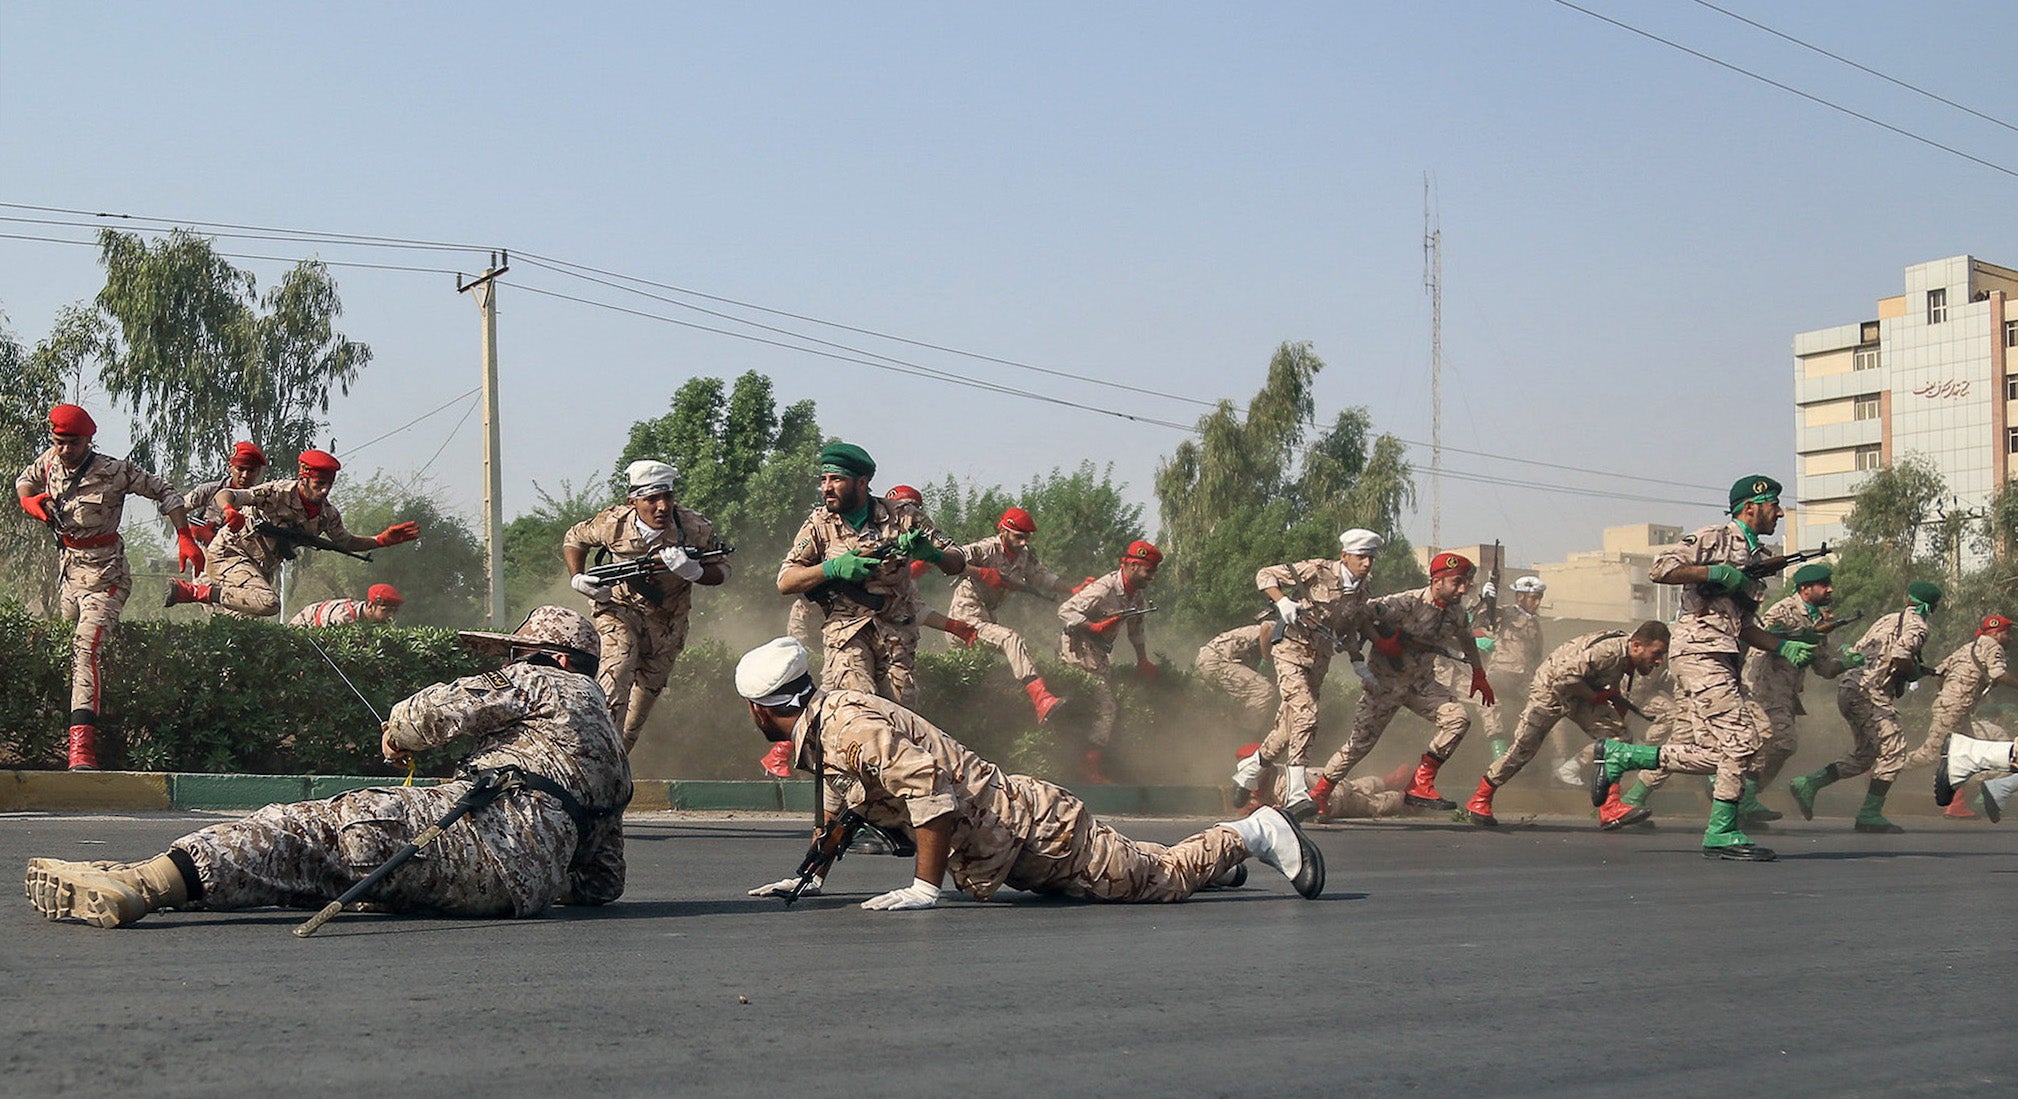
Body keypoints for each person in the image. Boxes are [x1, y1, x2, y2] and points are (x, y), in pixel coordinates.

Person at [24, 606, 631, 929]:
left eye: (518, 653)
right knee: (313, 870)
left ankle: (144, 885)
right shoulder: (615, 758)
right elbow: (603, 883)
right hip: (510, 896)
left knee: (297, 832)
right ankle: (150, 875)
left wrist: (399, 731)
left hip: (470, 839)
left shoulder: (548, 681)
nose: (514, 661)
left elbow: (436, 711)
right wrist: (533, 874)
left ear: (552, 657)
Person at [736, 637, 1323, 908]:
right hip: (1008, 845)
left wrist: (922, 888)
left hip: (1035, 830)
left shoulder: (845, 728)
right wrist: (809, 875)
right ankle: (1216, 865)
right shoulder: (828, 724)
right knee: (1139, 867)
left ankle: (1258, 831)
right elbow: (848, 804)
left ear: (762, 709)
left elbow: (929, 792)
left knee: (1156, 882)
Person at [1593, 476, 1799, 861]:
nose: (1780, 512)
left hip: (1724, 655)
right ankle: (1721, 831)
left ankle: (1624, 756)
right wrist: (1713, 573)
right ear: (1750, 507)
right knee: (1743, 739)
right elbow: (1660, 568)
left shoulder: (1757, 558)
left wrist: (1784, 645)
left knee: (1715, 750)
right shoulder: (1713, 537)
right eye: (1774, 505)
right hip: (1698, 651)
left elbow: (1746, 625)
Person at [15, 403, 203, 770]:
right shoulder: (50, 461)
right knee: (69, 646)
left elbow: (166, 491)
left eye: (73, 443)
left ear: (89, 439)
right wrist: (29, 501)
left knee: (84, 649)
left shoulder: (115, 471)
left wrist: (184, 536)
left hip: (106, 577)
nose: (65, 449)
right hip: (69, 575)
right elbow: (24, 480)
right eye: (59, 442)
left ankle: (81, 750)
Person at [776, 443, 964, 708]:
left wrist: (933, 554)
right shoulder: (820, 523)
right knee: (856, 710)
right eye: (823, 479)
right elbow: (786, 580)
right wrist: (832, 568)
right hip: (845, 633)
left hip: (896, 638)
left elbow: (958, 560)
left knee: (900, 718)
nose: (826, 487)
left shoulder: (904, 516)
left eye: (836, 479)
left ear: (862, 482)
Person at [563, 460, 731, 752]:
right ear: (633, 501)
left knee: (637, 714)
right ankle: (594, 753)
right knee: (617, 672)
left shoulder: (693, 527)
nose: (662, 507)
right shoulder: (612, 524)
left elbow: (723, 569)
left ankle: (615, 761)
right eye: (652, 499)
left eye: (667, 497)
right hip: (618, 610)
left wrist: (695, 572)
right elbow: (574, 538)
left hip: (667, 624)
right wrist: (577, 577)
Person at [1309, 551, 1494, 815]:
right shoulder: (1405, 603)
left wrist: (1479, 672)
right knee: (1359, 745)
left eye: (1466, 582)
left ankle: (1421, 782)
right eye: (1457, 582)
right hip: (1384, 684)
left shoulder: (1456, 613)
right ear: (1437, 581)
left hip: (1421, 685)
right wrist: (1380, 640)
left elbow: (1467, 638)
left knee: (1458, 719)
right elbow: (1360, 613)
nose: (1463, 589)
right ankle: (1319, 795)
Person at [1233, 528, 1382, 817]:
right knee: (1307, 713)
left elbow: (1349, 625)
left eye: (1371, 559)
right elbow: (1265, 574)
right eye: (1362, 557)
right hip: (1290, 649)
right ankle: (1297, 792)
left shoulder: (1363, 590)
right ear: (1345, 556)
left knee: (1288, 728)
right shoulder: (1318, 569)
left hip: (1319, 658)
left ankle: (1249, 770)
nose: (1367, 564)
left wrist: (1356, 660)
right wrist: (1282, 600)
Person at [166, 449, 421, 617]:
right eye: (319, 484)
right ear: (303, 478)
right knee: (269, 604)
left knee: (243, 627)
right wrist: (230, 510)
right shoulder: (277, 492)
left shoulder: (326, 514)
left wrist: (381, 541)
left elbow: (346, 541)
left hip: (261, 568)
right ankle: (192, 591)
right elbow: (228, 494)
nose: (324, 491)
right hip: (231, 553)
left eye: (328, 485)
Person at [1463, 622, 1669, 828]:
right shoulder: (1608, 652)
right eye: (1656, 653)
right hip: (1551, 689)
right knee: (1523, 749)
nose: (1659, 661)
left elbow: (1612, 682)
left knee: (1619, 739)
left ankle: (1610, 807)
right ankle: (1480, 798)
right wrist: (1594, 696)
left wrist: (1612, 710)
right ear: (1637, 646)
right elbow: (1564, 676)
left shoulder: (1626, 654)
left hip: (1578, 691)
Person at [1787, 582, 1942, 834]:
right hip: (1870, 692)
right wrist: (1913, 672)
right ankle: (1870, 813)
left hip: (1851, 687)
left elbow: (1863, 651)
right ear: (1932, 606)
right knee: (1894, 750)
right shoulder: (1918, 626)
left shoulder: (1888, 619)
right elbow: (1901, 656)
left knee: (1865, 756)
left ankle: (1809, 784)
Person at [1737, 562, 1852, 824]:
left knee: (1781, 745)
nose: (1830, 589)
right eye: (1824, 585)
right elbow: (1765, 636)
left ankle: (1744, 797)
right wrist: (1792, 640)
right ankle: (1743, 796)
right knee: (1777, 740)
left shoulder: (1819, 619)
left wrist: (1845, 663)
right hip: (1764, 685)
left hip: (1786, 692)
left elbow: (1823, 666)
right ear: (1805, 589)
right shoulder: (1784, 610)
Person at [945, 506, 1076, 723]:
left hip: (987, 618)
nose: (1023, 542)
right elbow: (951, 560)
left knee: (1017, 657)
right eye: (1018, 537)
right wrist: (982, 573)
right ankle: (1041, 699)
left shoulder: (1024, 556)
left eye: (1027, 538)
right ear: (1003, 531)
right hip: (965, 619)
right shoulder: (986, 549)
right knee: (1010, 639)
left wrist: (1074, 589)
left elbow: (1044, 578)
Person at [1057, 539, 1162, 783]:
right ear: (1133, 566)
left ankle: (1081, 763)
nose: (1152, 577)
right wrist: (1092, 626)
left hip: (1099, 654)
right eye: (1149, 571)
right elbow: (1065, 611)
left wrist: (1143, 660)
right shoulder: (1104, 588)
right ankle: (1088, 768)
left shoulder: (1136, 597)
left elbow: (1136, 630)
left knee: (1095, 706)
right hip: (1078, 650)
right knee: (1106, 708)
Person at [1900, 614, 2018, 818]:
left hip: (1953, 706)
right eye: (2008, 634)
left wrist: (1948, 693)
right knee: (1931, 754)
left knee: (1968, 755)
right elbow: (1999, 674)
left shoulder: (1967, 647)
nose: (2010, 639)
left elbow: (1940, 673)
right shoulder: (1994, 647)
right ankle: (1883, 768)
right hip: (1955, 708)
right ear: (1998, 633)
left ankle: (1957, 804)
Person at [1237, 742, 1417, 820]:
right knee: (1357, 785)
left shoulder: (1282, 787)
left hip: (1332, 798)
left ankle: (1405, 799)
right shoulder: (1276, 770)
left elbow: (1293, 809)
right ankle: (1389, 780)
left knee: (1371, 804)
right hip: (1325, 778)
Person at [181, 441, 268, 546]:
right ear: (230, 467)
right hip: (205, 554)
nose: (245, 475)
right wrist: (192, 530)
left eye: (251, 470)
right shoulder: (209, 490)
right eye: (240, 469)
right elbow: (173, 510)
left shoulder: (263, 499)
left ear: (258, 472)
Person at [1195, 622, 1277, 728]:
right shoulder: (1290, 628)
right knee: (1262, 691)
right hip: (1217, 658)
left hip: (1216, 658)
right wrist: (1266, 660)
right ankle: (1248, 734)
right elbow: (1267, 628)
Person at [1939, 719, 2018, 821]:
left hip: (1958, 772)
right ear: (1998, 718)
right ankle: (1987, 797)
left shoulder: (1967, 725)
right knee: (2009, 767)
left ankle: (1998, 789)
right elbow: (2009, 754)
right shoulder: (1996, 730)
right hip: (1976, 774)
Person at [288, 583, 405, 627]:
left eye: (394, 611)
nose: (391, 617)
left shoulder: (380, 622)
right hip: (305, 624)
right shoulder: (341, 619)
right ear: (370, 607)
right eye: (386, 611)